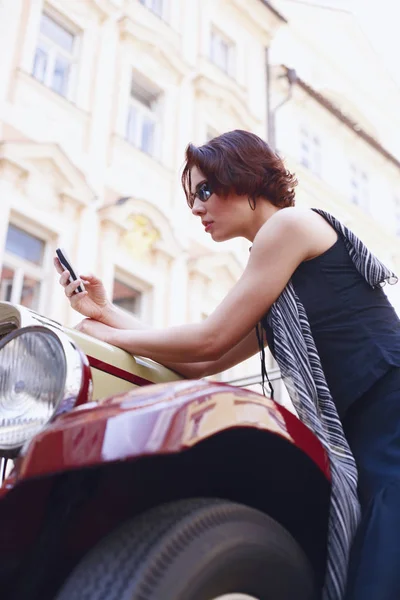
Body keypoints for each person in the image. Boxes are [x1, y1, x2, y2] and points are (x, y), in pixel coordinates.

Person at [54, 130, 400, 600]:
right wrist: (103, 312)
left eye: (204, 190)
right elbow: (206, 359)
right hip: (368, 431)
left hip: (389, 412)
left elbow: (210, 336)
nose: (196, 208)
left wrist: (109, 335)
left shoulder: (288, 227)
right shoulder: (278, 286)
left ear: (245, 178)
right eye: (192, 196)